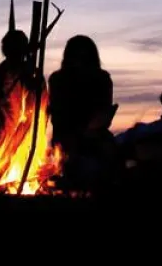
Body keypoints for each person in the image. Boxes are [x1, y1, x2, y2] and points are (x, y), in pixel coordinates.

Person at [48, 35, 117, 188]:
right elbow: (57, 113)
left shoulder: (102, 79)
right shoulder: (58, 79)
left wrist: (93, 128)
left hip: (95, 136)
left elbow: (105, 110)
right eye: (76, 55)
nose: (79, 60)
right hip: (67, 139)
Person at [0, 30, 42, 137]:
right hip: (1, 138)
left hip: (27, 135)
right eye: (14, 51)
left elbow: (40, 107)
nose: (17, 55)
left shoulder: (33, 77)